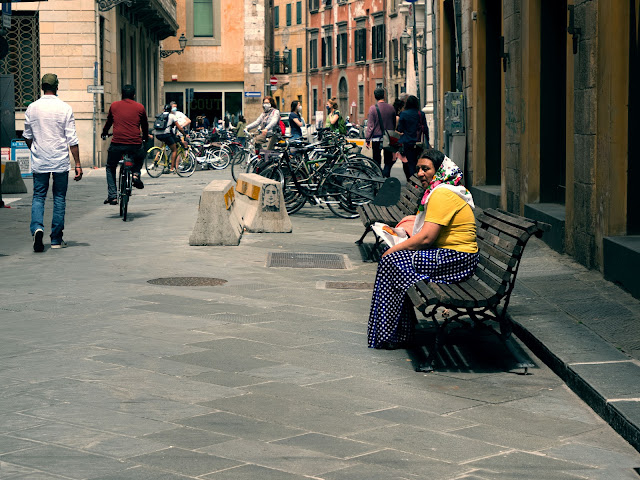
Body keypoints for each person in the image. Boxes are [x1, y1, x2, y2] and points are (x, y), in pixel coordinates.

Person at [367, 149, 478, 350]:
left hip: (456, 259)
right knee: (394, 264)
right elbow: (428, 230)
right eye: (418, 168)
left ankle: (396, 333)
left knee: (390, 262)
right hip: (455, 256)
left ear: (439, 171)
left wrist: (395, 248)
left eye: (425, 169)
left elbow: (426, 238)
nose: (419, 173)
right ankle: (400, 330)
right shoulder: (442, 189)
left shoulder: (442, 194)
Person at [23, 73, 82, 251]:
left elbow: (27, 136)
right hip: (60, 161)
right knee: (59, 198)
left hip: (40, 160)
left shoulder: (32, 108)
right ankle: (56, 239)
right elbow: (72, 139)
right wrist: (77, 164)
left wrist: (35, 148)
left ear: (42, 87)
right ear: (57, 87)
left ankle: (37, 228)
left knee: (38, 196)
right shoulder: (65, 108)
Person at [101, 84, 149, 205]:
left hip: (117, 143)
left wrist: (104, 133)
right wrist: (145, 137)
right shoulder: (140, 107)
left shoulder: (114, 106)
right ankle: (136, 175)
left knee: (111, 166)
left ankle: (112, 196)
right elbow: (145, 125)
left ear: (122, 95)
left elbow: (109, 122)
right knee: (140, 156)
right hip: (135, 143)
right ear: (133, 95)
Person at [366, 87, 396, 176]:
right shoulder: (391, 108)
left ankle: (378, 176)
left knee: (376, 160)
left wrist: (368, 139)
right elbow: (394, 123)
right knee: (388, 160)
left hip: (376, 138)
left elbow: (370, 126)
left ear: (375, 97)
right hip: (388, 138)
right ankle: (386, 175)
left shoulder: (373, 109)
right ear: (384, 96)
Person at [396, 95, 423, 180]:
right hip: (418, 143)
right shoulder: (421, 114)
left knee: (408, 163)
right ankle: (415, 180)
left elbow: (400, 129)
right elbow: (425, 129)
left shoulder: (404, 114)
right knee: (416, 163)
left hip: (407, 142)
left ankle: (410, 180)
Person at [154, 104, 186, 172]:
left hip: (157, 134)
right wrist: (184, 134)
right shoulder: (172, 116)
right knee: (174, 150)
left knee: (164, 145)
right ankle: (172, 168)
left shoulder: (160, 115)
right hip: (166, 135)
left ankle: (160, 158)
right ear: (170, 110)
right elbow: (179, 127)